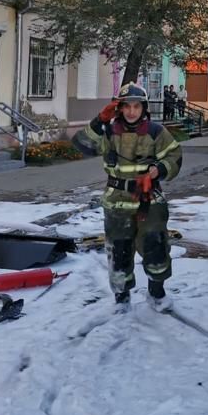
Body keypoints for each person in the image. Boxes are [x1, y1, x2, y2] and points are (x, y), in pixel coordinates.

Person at [72, 82, 183, 309]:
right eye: (127, 106)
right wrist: (99, 121)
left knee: (155, 248)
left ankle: (157, 293)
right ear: (119, 108)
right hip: (116, 203)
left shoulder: (156, 132)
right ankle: (122, 299)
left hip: (148, 202)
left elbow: (174, 156)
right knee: (119, 252)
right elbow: (82, 145)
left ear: (144, 108)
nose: (132, 111)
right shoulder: (110, 132)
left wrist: (159, 169)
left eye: (136, 106)